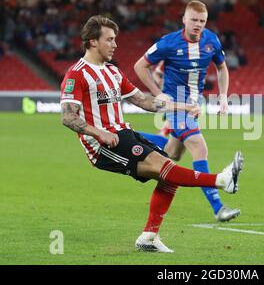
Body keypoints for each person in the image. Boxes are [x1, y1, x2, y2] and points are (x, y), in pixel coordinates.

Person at [60, 15, 244, 253]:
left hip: (123, 133)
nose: (115, 44)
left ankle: (149, 237)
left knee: (169, 175)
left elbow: (143, 101)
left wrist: (181, 107)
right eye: (110, 39)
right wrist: (99, 133)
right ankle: (221, 180)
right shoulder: (77, 74)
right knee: (163, 166)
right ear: (93, 42)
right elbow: (67, 116)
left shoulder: (113, 72)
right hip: (103, 145)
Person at [134, 1, 241, 223]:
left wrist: (223, 96)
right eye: (194, 20)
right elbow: (139, 66)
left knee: (173, 153)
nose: (198, 25)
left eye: (202, 21)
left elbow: (222, 68)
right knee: (199, 147)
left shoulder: (211, 40)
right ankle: (218, 207)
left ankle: (130, 136)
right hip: (175, 106)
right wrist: (157, 93)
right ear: (184, 19)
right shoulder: (168, 43)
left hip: (194, 105)